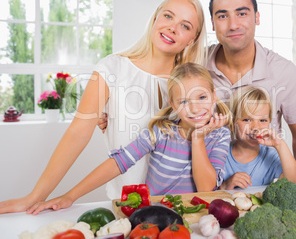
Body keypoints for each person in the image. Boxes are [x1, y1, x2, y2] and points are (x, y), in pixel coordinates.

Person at [0, 0, 207, 214]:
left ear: (192, 39)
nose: (172, 28)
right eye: (168, 16)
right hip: (127, 204)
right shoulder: (113, 68)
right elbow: (78, 133)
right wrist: (35, 197)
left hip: (182, 207)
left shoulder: (193, 84)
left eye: (185, 26)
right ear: (156, 18)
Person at [27, 62, 232, 214]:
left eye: (202, 97)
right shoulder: (161, 132)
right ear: (173, 104)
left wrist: (197, 138)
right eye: (184, 101)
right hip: (154, 218)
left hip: (198, 220)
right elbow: (118, 162)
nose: (195, 108)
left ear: (214, 96)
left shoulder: (221, 135)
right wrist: (70, 196)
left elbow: (206, 188)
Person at [207, 0, 296, 191]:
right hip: (214, 185)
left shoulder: (283, 71)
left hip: (266, 184)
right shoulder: (197, 65)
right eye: (222, 16)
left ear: (257, 18)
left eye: (242, 13)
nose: (233, 25)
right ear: (212, 23)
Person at [219, 86, 296, 190]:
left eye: (262, 120)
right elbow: (206, 192)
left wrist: (280, 145)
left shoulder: (271, 156)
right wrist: (225, 186)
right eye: (247, 120)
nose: (255, 127)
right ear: (232, 122)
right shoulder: (220, 154)